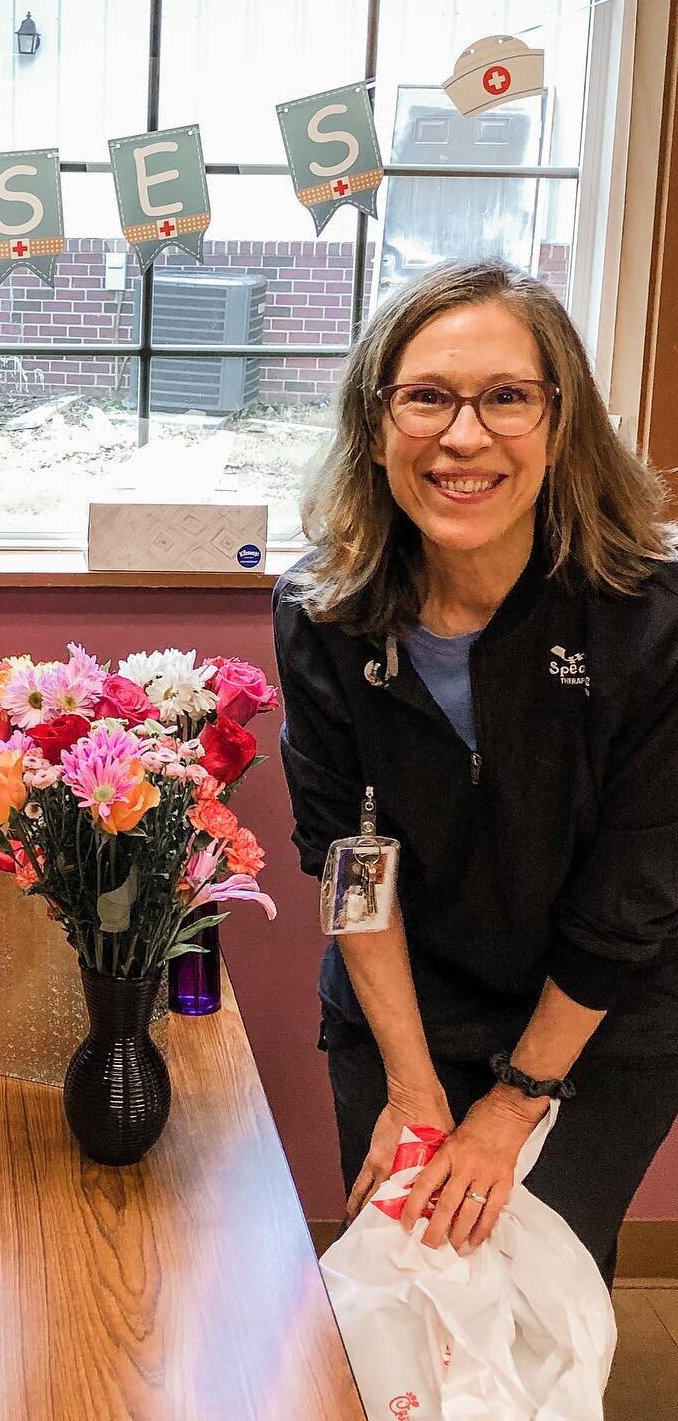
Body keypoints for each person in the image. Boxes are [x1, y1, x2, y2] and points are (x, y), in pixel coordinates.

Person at [272, 258, 678, 1288]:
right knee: (402, 1275)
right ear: (375, 421)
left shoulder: (649, 619)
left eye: (507, 397)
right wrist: (411, 1083)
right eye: (427, 397)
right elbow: (345, 857)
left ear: (562, 419)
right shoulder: (325, 612)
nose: (464, 435)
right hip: (402, 1000)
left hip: (600, 1021)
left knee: (537, 1275)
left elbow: (632, 896)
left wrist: (515, 1099)